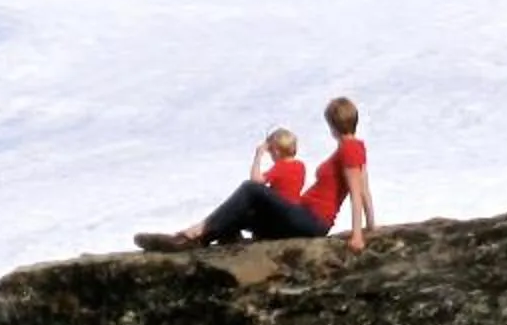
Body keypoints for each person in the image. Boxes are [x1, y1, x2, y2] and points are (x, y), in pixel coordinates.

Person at [137, 96, 375, 254]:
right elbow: (364, 189)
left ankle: (195, 233)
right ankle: (195, 241)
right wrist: (371, 225)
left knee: (251, 189)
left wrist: (358, 236)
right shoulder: (355, 148)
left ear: (332, 124)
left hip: (311, 220)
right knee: (244, 213)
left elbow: (357, 193)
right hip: (304, 217)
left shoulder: (349, 149)